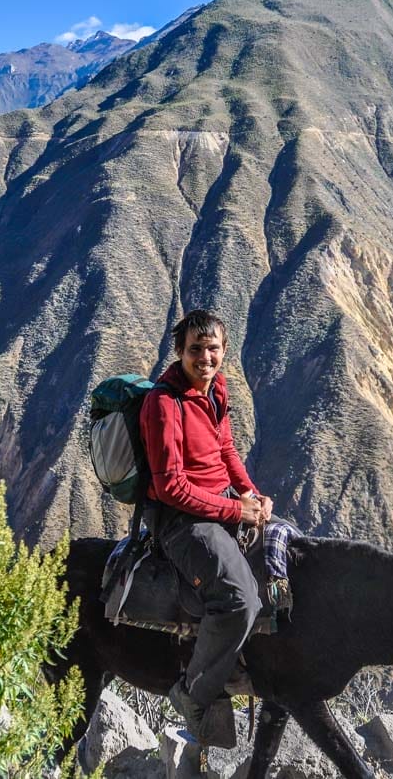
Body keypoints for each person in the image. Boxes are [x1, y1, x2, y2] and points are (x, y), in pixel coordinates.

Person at [140, 308, 273, 744]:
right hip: (183, 521)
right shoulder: (164, 404)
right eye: (195, 349)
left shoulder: (216, 388)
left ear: (224, 351)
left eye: (212, 348)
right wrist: (235, 511)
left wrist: (251, 494)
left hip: (224, 501)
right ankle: (193, 692)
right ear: (180, 352)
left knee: (289, 551)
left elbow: (226, 450)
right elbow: (171, 487)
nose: (205, 357)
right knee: (239, 600)